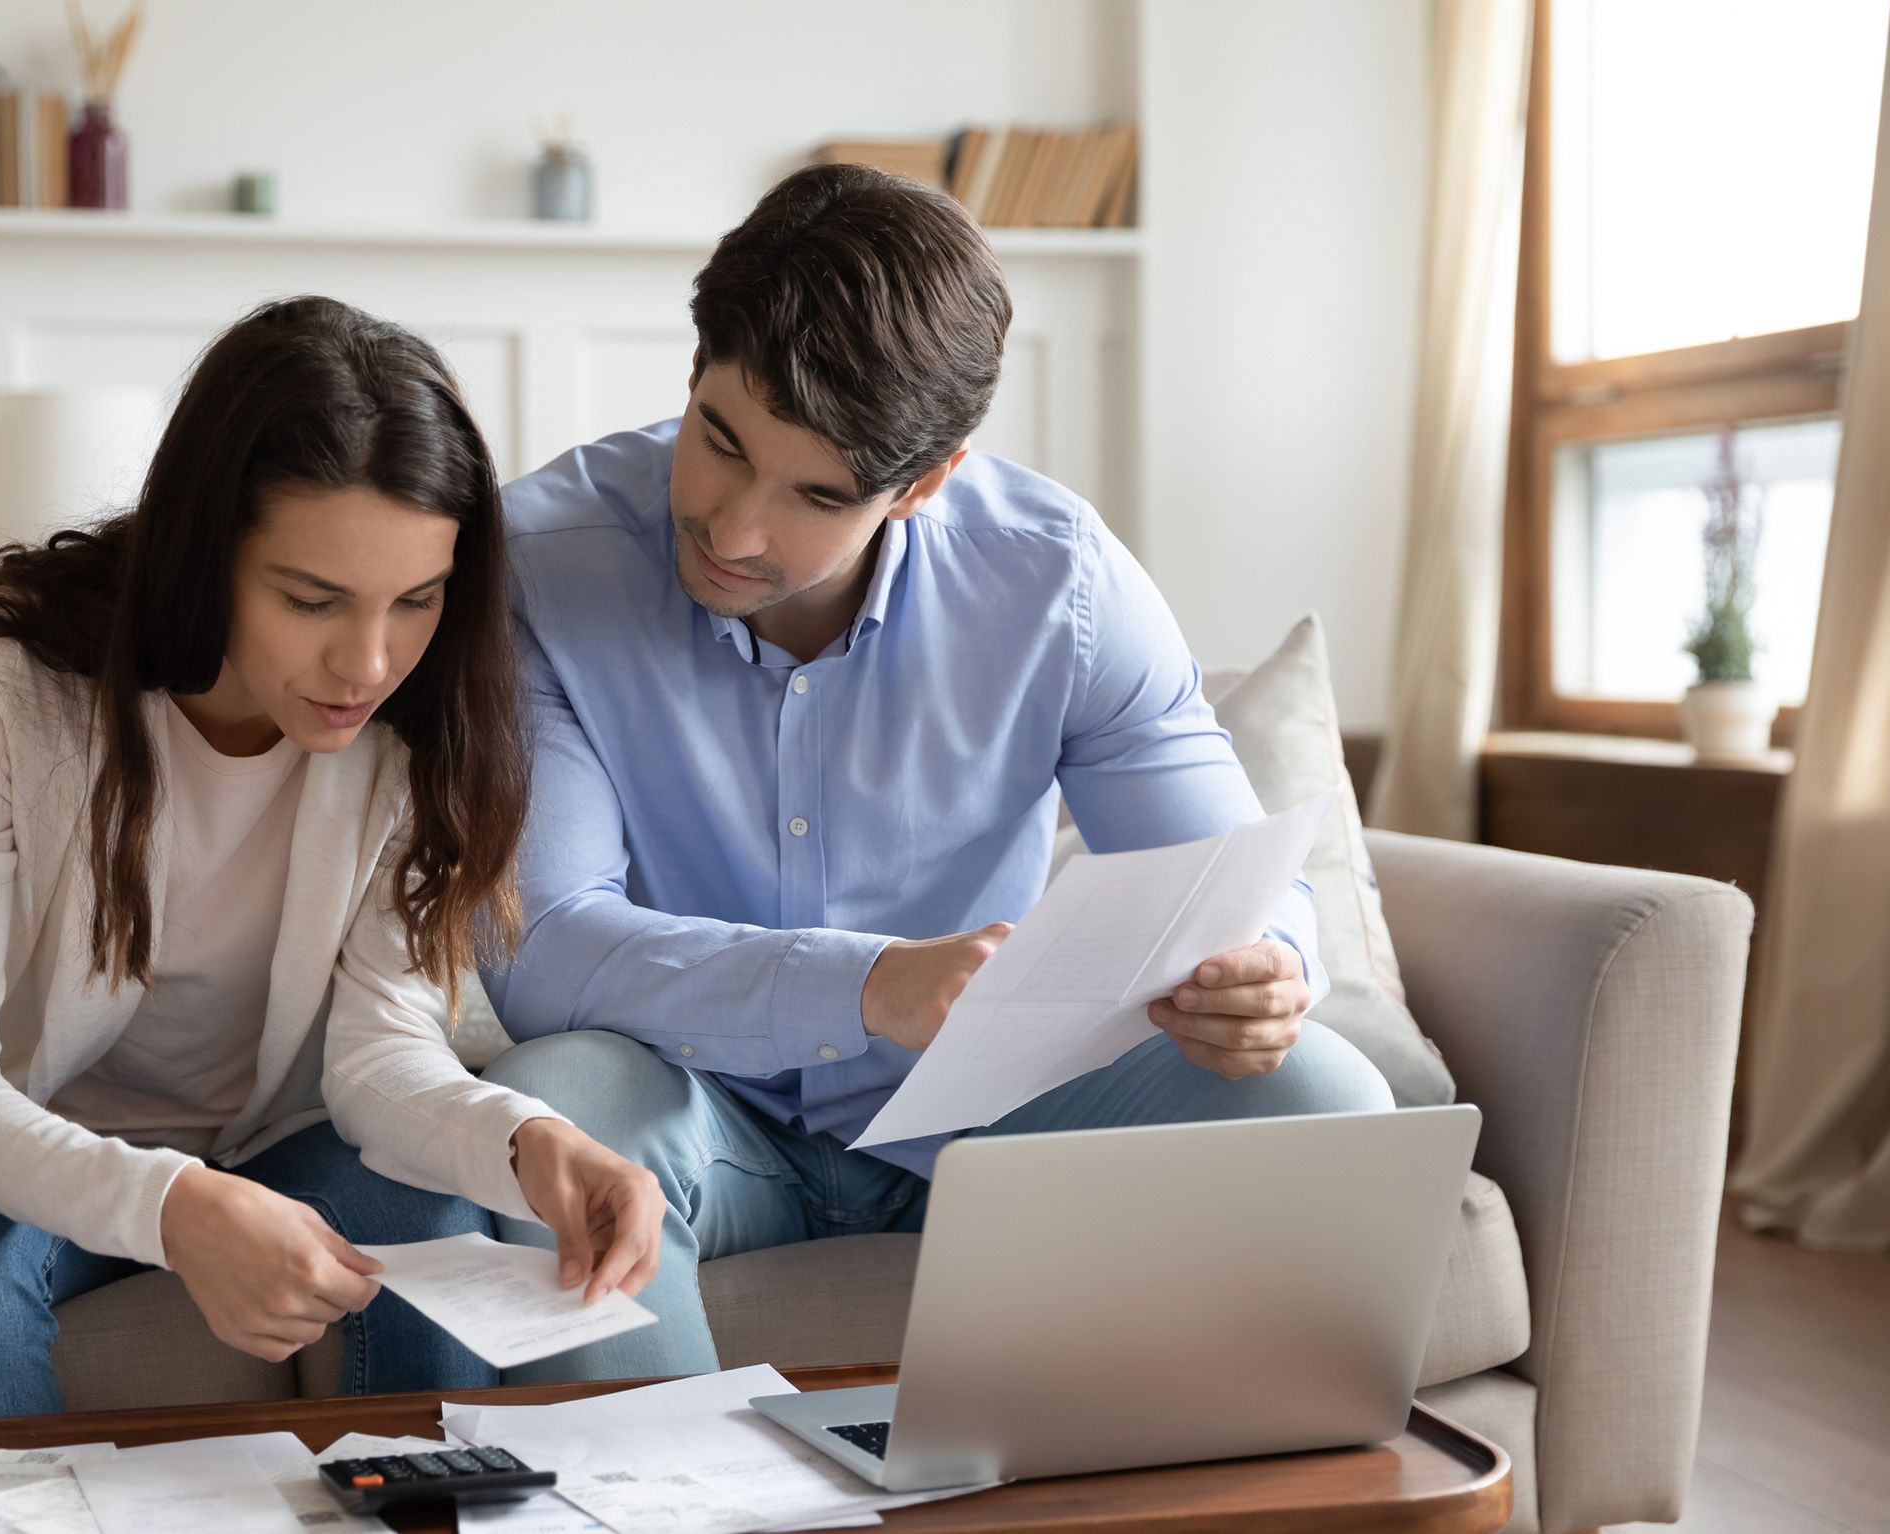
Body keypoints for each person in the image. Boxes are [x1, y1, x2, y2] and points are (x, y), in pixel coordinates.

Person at [479, 165, 1394, 1382]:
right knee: (551, 1098)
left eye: (815, 494)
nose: (735, 527)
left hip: (990, 1114)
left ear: (924, 481)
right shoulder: (539, 567)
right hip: (689, 1108)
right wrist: (868, 985)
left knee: (1325, 1099)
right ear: (693, 372)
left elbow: (1227, 883)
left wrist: (1265, 971)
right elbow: (543, 952)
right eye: (720, 441)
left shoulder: (1056, 583)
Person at [0, 297, 662, 1422]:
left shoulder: (424, 722)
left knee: (433, 1220)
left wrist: (532, 1142)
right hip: (16, 1136)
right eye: (309, 599)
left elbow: (382, 1056)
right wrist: (175, 1203)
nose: (367, 659)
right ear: (205, 549)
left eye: (415, 600)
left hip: (276, 1142)